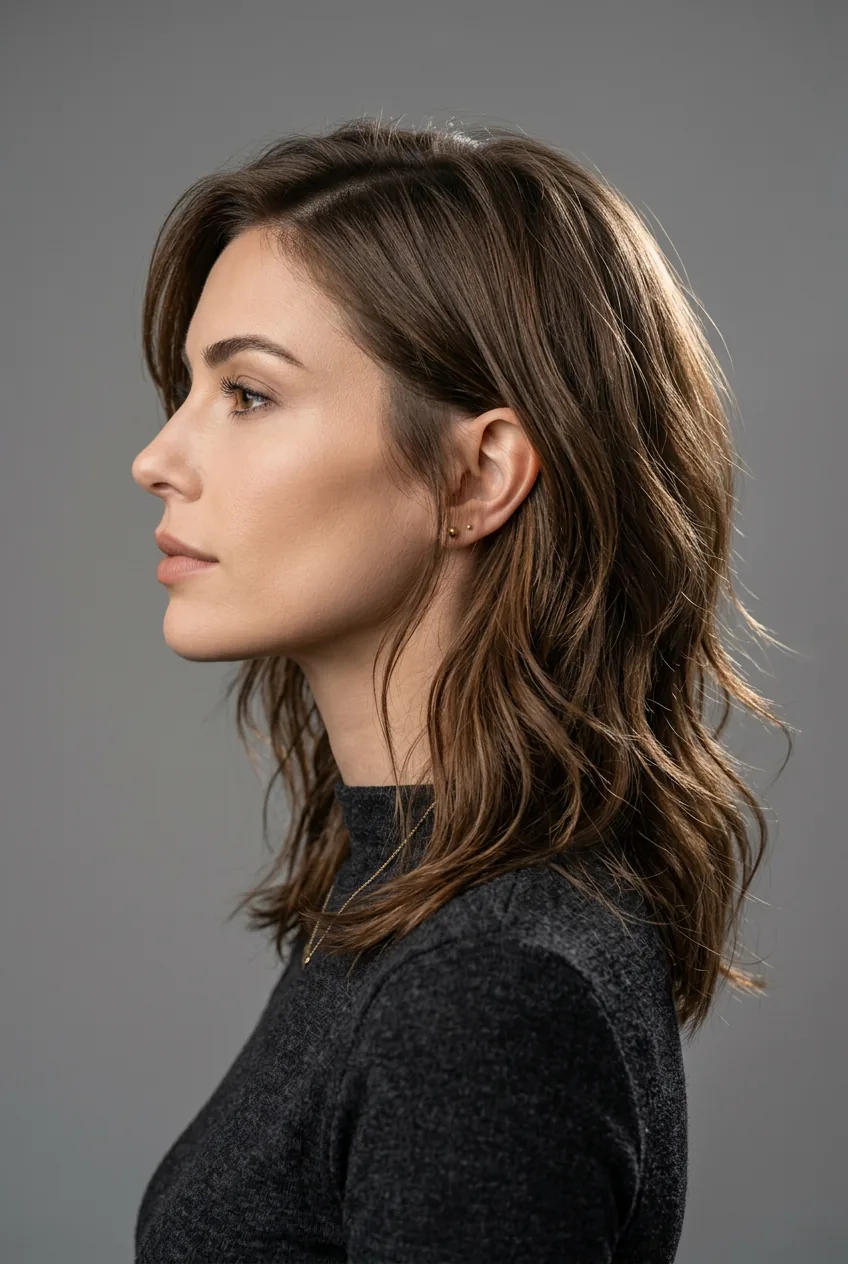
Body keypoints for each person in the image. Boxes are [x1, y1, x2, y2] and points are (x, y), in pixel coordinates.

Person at [130, 116, 790, 1262]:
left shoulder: (487, 988)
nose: (158, 455)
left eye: (245, 394)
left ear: (478, 473)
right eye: (186, 388)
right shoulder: (416, 898)